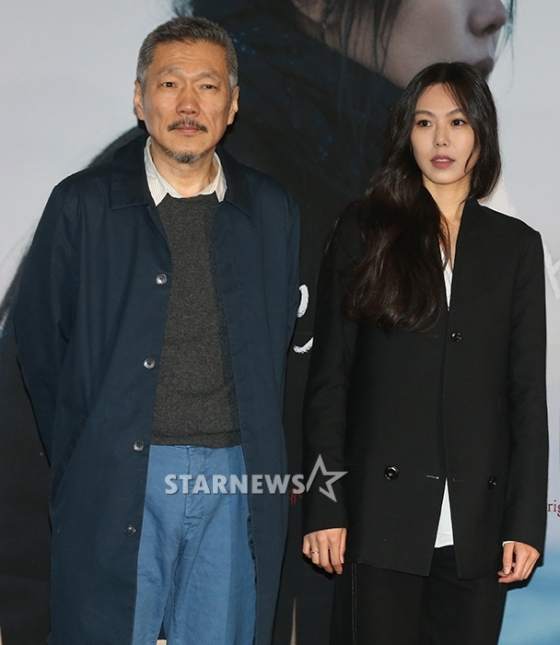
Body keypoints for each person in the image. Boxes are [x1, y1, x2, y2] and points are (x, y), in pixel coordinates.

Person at [14, 15, 299, 645]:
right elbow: (38, 347)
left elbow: (279, 341)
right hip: (118, 475)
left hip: (235, 478)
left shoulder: (271, 209)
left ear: (233, 104)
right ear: (140, 100)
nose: (188, 104)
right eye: (170, 84)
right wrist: (94, 448)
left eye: (208, 86)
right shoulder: (83, 205)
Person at [302, 62, 548, 644]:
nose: (441, 139)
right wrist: (325, 506)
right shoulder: (365, 230)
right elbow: (329, 381)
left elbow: (525, 395)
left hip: (477, 528)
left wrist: (524, 523)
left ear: (481, 133)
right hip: (378, 520)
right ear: (405, 134)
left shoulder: (516, 247)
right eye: (424, 122)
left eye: (458, 122)